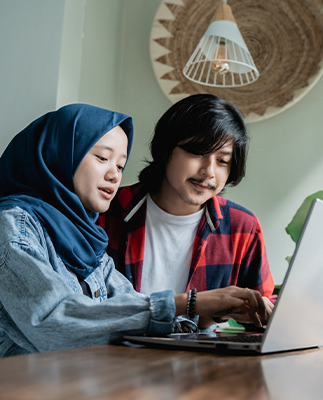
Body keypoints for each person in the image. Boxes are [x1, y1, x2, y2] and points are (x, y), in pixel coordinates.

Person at [0, 104, 268, 365]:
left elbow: (123, 301)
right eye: (102, 157)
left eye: (121, 165)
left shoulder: (82, 236)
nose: (114, 174)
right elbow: (57, 321)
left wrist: (202, 312)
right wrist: (190, 303)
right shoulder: (12, 224)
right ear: (61, 153)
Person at [99, 94, 275, 331]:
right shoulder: (107, 210)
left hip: (199, 363)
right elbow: (87, 310)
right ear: (166, 149)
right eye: (198, 153)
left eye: (222, 160)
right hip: (115, 357)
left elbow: (265, 311)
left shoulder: (242, 227)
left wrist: (254, 313)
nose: (209, 171)